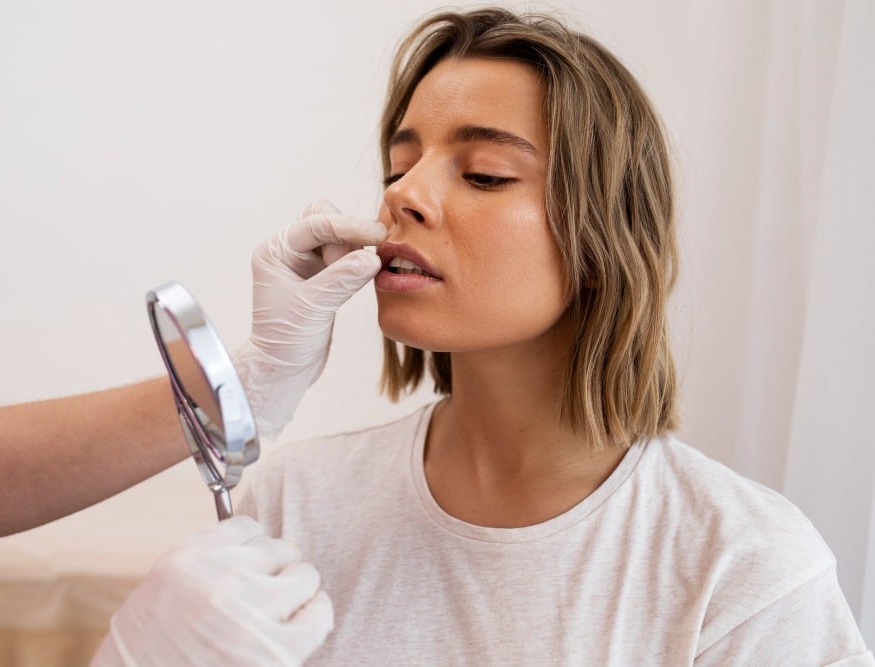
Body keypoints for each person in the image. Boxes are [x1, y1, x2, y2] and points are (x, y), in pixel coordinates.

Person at [236, 7, 873, 665]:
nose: (403, 196)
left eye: (483, 172)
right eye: (399, 166)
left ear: (602, 238)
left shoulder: (747, 569)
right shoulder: (293, 505)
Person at [0, 206, 387, 665]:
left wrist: (251, 384)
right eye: (397, 171)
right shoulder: (298, 487)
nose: (406, 195)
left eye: (474, 174)